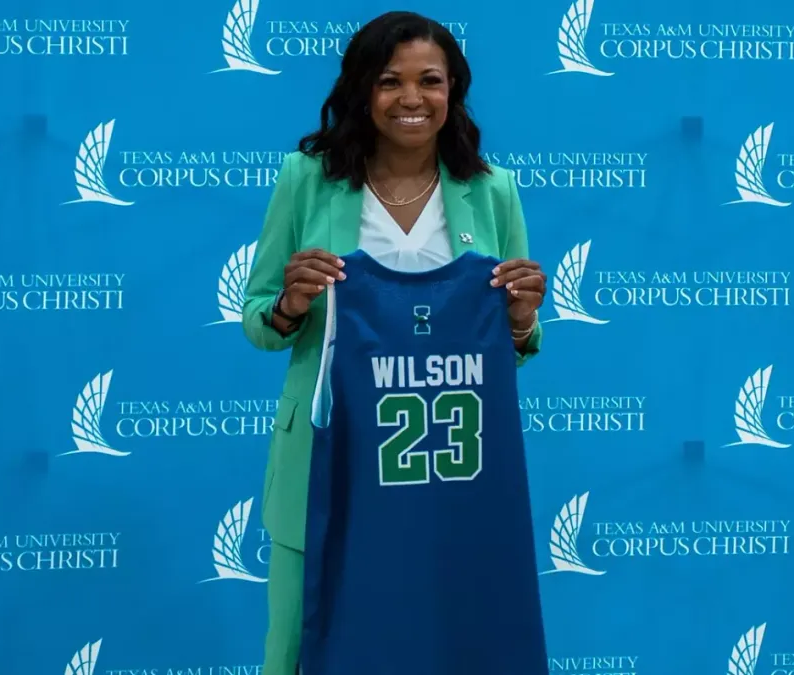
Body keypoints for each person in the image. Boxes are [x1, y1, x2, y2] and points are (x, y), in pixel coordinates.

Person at [240, 11, 547, 675]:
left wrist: (522, 319)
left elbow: (513, 342)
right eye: (390, 81)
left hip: (444, 471)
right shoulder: (306, 178)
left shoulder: (493, 190)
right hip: (329, 460)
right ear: (363, 90)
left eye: (429, 80)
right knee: (298, 649)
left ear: (453, 89)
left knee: (450, 646)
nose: (412, 98)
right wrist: (290, 305)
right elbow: (257, 318)